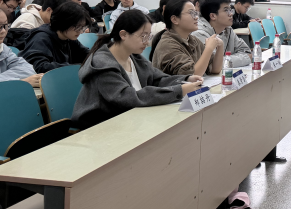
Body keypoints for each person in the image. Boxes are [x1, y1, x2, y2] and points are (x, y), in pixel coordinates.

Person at [71, 10, 204, 129]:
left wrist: (186, 79)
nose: (146, 42)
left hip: (128, 119)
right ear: (123, 34)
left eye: (149, 36)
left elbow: (158, 79)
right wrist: (179, 90)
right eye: (143, 36)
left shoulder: (134, 57)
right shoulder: (102, 63)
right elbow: (128, 98)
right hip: (99, 126)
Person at [151, 0, 222, 76]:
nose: (196, 17)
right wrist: (209, 49)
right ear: (174, 19)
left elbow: (214, 69)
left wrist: (220, 46)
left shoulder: (193, 40)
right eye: (191, 13)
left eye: (196, 13)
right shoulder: (167, 45)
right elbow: (192, 75)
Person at [21, 2, 92, 74]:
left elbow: (86, 54)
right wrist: (73, 67)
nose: (81, 31)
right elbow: (40, 67)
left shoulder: (68, 37)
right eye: (78, 27)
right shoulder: (41, 38)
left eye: (83, 27)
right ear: (64, 23)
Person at [192, 0, 251, 68]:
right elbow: (213, 65)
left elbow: (247, 53)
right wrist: (241, 59)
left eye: (230, 10)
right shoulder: (199, 34)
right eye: (226, 10)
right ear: (213, 16)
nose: (231, 14)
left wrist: (225, 61)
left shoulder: (227, 29)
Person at [0, 9, 42, 87]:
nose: (3, 31)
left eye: (5, 26)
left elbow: (27, 70)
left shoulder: (3, 49)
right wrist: (20, 82)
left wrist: (12, 82)